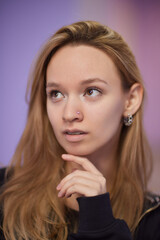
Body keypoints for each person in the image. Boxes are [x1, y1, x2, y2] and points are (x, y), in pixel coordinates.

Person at [0, 20, 160, 240]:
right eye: (56, 94)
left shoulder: (153, 221)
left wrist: (101, 225)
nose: (69, 113)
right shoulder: (4, 194)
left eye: (91, 91)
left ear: (130, 100)